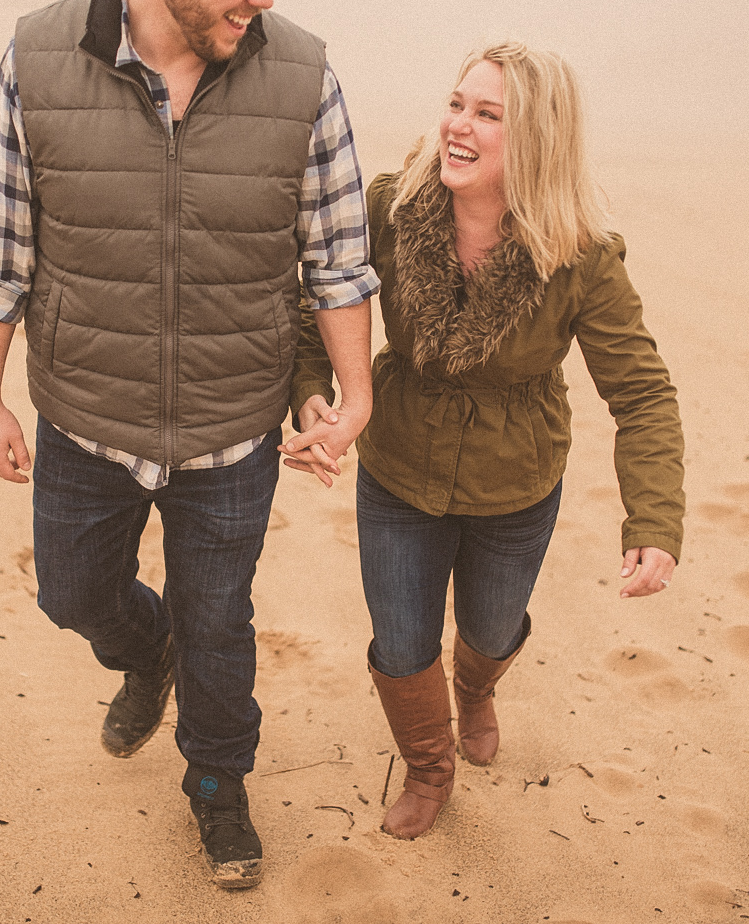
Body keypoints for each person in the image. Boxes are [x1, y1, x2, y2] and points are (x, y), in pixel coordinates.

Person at [0, 0, 376, 888]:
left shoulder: (305, 77)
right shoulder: (38, 59)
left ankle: (218, 782)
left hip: (233, 422)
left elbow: (338, 259)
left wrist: (353, 394)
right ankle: (149, 652)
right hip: (86, 413)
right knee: (72, 594)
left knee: (219, 618)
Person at [281, 42, 685, 840]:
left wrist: (655, 520)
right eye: (457, 104)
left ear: (536, 139)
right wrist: (311, 396)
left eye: (488, 114)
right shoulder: (392, 207)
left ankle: (476, 688)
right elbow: (316, 306)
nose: (458, 125)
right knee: (402, 641)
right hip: (399, 463)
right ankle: (430, 766)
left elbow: (642, 393)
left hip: (517, 481)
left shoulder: (580, 253)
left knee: (493, 628)